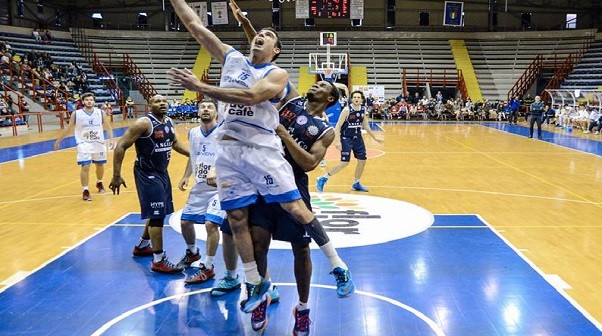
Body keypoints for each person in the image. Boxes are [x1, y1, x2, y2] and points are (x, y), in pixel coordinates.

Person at [168, 0, 350, 321]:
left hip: (262, 150)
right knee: (237, 220)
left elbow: (252, 96)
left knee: (296, 211)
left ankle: (337, 264)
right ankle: (253, 283)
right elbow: (196, 26)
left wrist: (201, 86)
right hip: (229, 150)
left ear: (276, 50)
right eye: (259, 33)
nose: (260, 36)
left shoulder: (277, 74)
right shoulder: (232, 58)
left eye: (268, 35)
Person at [228, 2, 355, 333]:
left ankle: (303, 308)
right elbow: (264, 58)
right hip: (259, 177)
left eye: (322, 86)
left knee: (301, 250)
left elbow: (311, 164)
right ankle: (261, 297)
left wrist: (283, 134)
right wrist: (245, 24)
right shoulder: (293, 100)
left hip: (293, 184)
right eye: (315, 83)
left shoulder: (324, 130)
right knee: (258, 245)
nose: (315, 85)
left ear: (330, 98)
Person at [108, 94, 190, 274]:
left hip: (162, 172)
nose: (162, 103)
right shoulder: (143, 124)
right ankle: (159, 260)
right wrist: (116, 175)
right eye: (157, 101)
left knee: (159, 212)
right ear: (149, 105)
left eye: (164, 101)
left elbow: (174, 142)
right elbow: (121, 146)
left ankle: (142, 246)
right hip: (147, 173)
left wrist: (192, 154)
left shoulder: (169, 121)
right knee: (157, 216)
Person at [177, 100, 225, 283]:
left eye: (210, 107)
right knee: (185, 222)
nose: (205, 109)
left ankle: (209, 264)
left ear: (216, 113)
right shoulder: (193, 133)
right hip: (199, 187)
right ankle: (192, 252)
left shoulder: (222, 132)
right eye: (202, 107)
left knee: (210, 224)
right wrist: (186, 176)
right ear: (198, 112)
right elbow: (193, 157)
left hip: (219, 188)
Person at [317, 90, 384, 192]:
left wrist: (374, 137)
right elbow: (338, 126)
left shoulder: (363, 110)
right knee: (344, 162)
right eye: (355, 97)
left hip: (358, 138)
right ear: (352, 99)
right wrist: (337, 141)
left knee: (362, 161)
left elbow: (365, 125)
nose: (356, 99)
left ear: (362, 99)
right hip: (346, 138)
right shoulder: (347, 110)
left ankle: (356, 183)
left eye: (358, 97)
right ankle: (324, 178)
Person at [54, 92, 114, 201]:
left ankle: (99, 182)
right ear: (83, 101)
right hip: (83, 143)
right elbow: (69, 128)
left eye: (91, 100)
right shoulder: (76, 114)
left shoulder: (100, 113)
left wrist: (111, 139)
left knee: (100, 165)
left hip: (98, 143)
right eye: (87, 100)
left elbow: (108, 126)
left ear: (94, 101)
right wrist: (59, 140)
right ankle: (85, 190)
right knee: (85, 166)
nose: (89, 101)